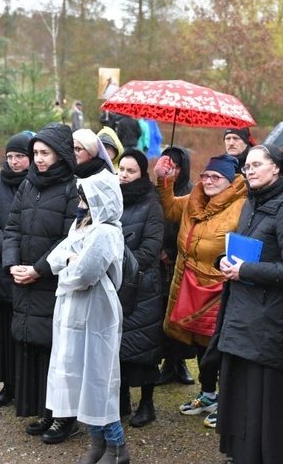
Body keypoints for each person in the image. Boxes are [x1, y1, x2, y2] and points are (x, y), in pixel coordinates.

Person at [216, 144, 283, 463]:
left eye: (257, 164)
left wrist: (244, 270)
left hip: (269, 319)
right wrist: (227, 261)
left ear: (277, 168)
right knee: (242, 395)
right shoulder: (252, 201)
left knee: (266, 400)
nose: (250, 170)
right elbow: (248, 250)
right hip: (242, 313)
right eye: (247, 166)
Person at [153, 152, 247, 429]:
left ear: (230, 181)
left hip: (220, 286)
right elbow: (170, 209)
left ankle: (228, 401)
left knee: (218, 347)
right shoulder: (196, 197)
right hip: (189, 282)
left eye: (216, 177)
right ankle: (208, 394)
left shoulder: (242, 206)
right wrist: (163, 179)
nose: (208, 181)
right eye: (205, 175)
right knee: (196, 342)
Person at [2, 122, 79, 444]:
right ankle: (45, 410)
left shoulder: (72, 188)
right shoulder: (28, 185)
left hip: (52, 282)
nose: (39, 159)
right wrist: (12, 265)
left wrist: (38, 269)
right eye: (36, 153)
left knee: (58, 352)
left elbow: (69, 239)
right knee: (34, 348)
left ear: (61, 155)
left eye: (45, 153)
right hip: (25, 279)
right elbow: (12, 228)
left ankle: (65, 418)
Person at [45, 170, 129, 464]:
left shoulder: (106, 232)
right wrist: (70, 260)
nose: (79, 202)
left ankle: (117, 448)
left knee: (98, 379)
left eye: (84, 197)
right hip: (72, 311)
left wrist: (69, 267)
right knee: (79, 378)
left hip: (97, 311)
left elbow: (85, 274)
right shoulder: (80, 226)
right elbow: (56, 258)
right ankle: (96, 442)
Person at [0, 133, 32, 409]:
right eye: (10, 156)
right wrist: (11, 255)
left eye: (19, 156)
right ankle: (7, 383)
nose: (13, 161)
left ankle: (27, 383)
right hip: (3, 267)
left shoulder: (37, 184)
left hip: (30, 267)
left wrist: (27, 256)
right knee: (3, 328)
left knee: (26, 327)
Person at [116, 149, 164, 428]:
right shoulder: (112, 199)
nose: (124, 175)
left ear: (142, 174)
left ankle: (147, 404)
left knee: (144, 346)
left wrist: (118, 262)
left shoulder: (151, 204)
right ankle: (121, 399)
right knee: (117, 344)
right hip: (116, 284)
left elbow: (150, 249)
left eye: (130, 171)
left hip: (143, 285)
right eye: (121, 169)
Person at [155, 146, 197, 387]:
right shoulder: (156, 192)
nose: (173, 170)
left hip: (179, 261)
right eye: (170, 165)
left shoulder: (192, 194)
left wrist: (172, 251)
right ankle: (166, 363)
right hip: (158, 262)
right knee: (161, 311)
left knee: (180, 313)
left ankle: (179, 361)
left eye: (178, 166)